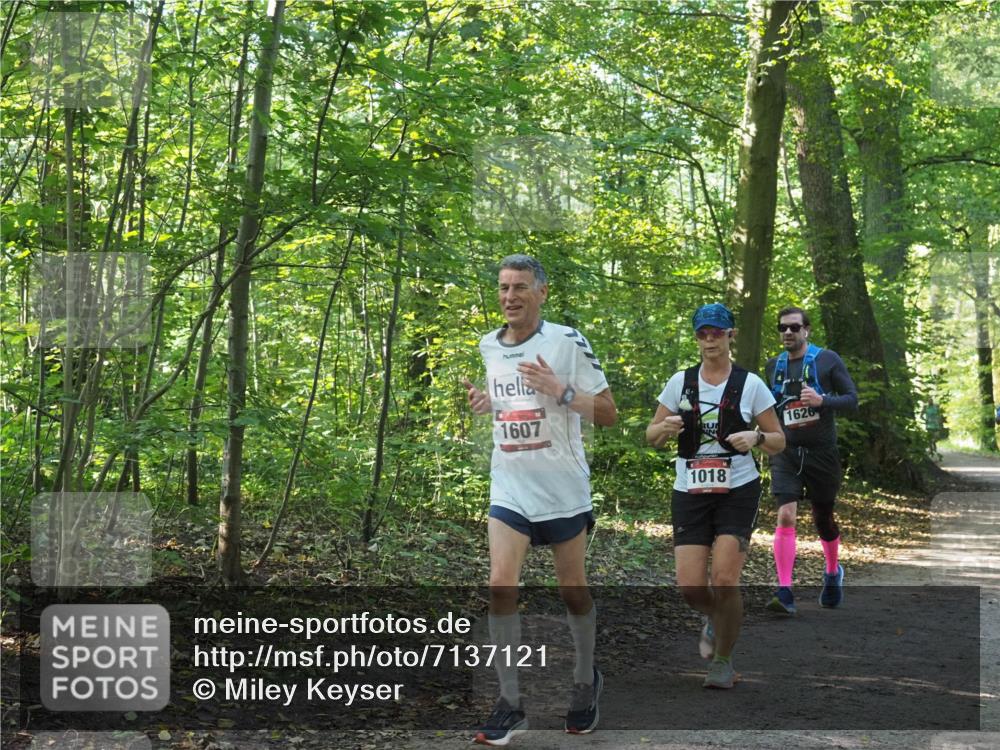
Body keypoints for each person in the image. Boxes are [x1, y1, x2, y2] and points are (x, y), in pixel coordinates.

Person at [463, 254, 617, 745]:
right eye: (504, 287)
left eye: (520, 288)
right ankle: (510, 703)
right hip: (509, 485)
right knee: (500, 584)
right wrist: (488, 404)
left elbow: (609, 414)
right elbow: (509, 403)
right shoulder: (489, 344)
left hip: (563, 487)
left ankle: (585, 680)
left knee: (572, 588)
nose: (510, 297)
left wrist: (561, 390)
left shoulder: (566, 342)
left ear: (541, 293)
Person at [646, 303, 784, 689]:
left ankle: (723, 661)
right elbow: (651, 435)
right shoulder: (681, 382)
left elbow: (779, 440)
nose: (710, 340)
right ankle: (715, 617)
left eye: (717, 333)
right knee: (691, 587)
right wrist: (665, 428)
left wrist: (756, 437)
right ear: (696, 337)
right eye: (703, 333)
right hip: (689, 489)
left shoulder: (750, 384)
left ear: (730, 335)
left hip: (737, 489)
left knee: (724, 579)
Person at [764, 307, 858, 614]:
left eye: (794, 327)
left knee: (822, 520)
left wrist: (823, 401)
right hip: (787, 453)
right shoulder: (771, 366)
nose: (788, 333)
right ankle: (785, 591)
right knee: (786, 516)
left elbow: (852, 399)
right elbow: (766, 408)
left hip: (822, 454)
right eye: (782, 328)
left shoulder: (827, 360)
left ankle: (832, 572)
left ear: (807, 330)